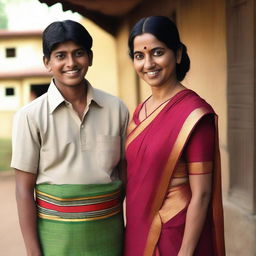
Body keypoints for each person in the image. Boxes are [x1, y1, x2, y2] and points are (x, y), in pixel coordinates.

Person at [11, 20, 129, 256]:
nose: (71, 63)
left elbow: (125, 174)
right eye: (60, 56)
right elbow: (23, 191)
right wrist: (34, 252)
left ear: (90, 57)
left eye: (79, 53)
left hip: (109, 235)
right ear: (47, 62)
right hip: (56, 239)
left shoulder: (117, 108)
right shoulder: (29, 116)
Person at [124, 16, 225, 256]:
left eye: (157, 52)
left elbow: (202, 193)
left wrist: (186, 251)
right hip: (138, 229)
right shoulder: (140, 111)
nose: (148, 63)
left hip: (174, 236)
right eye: (139, 56)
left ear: (177, 54)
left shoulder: (194, 114)